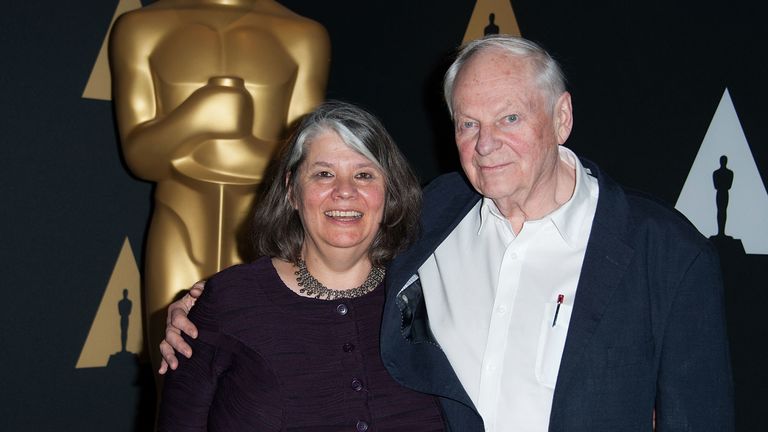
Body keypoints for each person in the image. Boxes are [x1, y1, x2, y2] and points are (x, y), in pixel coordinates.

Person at [161, 36, 734, 431]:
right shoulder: (435, 217)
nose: (487, 143)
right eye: (468, 123)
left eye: (510, 117)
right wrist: (196, 309)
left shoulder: (666, 254)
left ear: (561, 117)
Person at [157, 100, 445, 431]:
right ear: (292, 190)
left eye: (364, 174)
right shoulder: (228, 302)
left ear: (388, 192)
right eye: (324, 174)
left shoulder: (428, 295)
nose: (345, 191)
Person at [109, 0, 331, 375]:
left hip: (267, 238)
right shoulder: (143, 28)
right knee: (174, 387)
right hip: (178, 227)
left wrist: (209, 146)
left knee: (262, 389)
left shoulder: (303, 36)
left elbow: (305, 164)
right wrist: (198, 116)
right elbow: (141, 157)